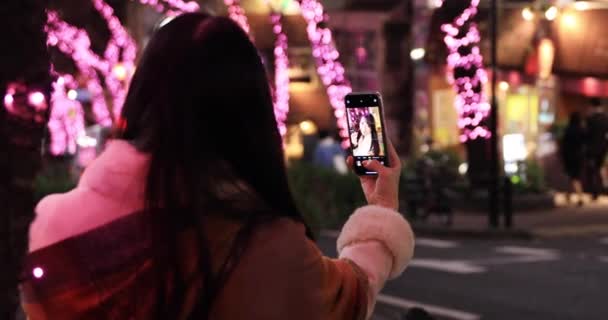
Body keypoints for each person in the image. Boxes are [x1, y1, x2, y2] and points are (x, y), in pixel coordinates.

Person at [20, 13, 414, 320]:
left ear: (140, 100)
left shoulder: (51, 234)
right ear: (251, 120)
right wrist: (381, 207)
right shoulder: (267, 247)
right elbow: (351, 295)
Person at [560, 112, 586, 206]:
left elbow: (563, 144)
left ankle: (576, 196)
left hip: (569, 156)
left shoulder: (568, 130)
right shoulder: (582, 130)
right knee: (575, 177)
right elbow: (585, 142)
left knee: (571, 176)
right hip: (578, 156)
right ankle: (572, 195)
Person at [585, 98, 608, 200]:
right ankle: (603, 187)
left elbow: (586, 134)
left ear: (593, 106)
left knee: (592, 170)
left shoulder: (591, 119)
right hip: (603, 148)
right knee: (600, 168)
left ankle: (595, 191)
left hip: (592, 149)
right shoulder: (605, 118)